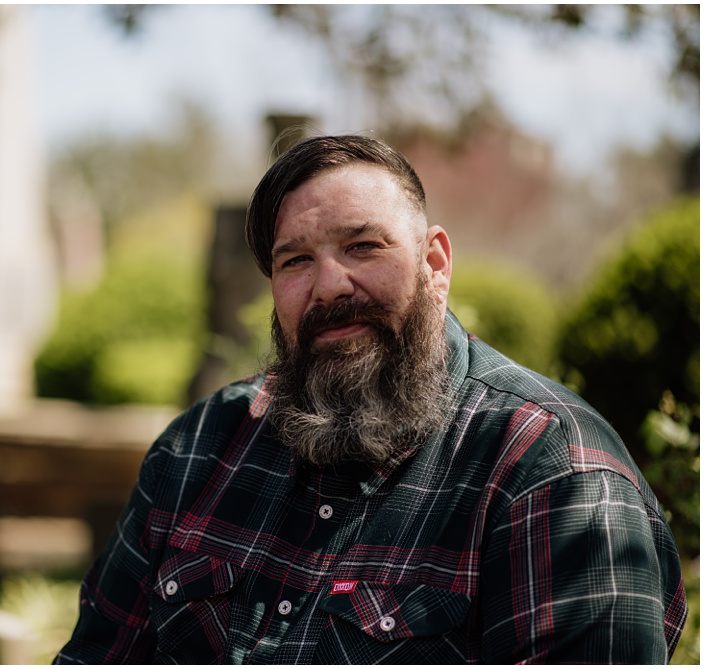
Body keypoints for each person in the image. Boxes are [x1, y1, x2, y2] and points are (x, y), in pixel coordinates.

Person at [55, 135, 688, 664]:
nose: (329, 286)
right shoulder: (203, 445)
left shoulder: (553, 474)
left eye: (363, 246)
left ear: (435, 264)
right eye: (295, 260)